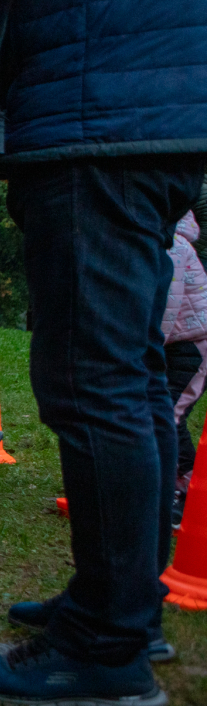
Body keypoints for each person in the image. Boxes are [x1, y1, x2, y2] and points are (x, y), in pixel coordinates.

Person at [0, 0, 205, 706]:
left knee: (94, 381)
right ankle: (124, 603)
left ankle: (105, 644)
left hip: (94, 107)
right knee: (130, 374)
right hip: (141, 104)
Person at [161, 211, 207, 530]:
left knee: (170, 414)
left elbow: (166, 305)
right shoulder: (162, 240)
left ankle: (187, 490)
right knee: (161, 411)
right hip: (176, 344)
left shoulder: (175, 245)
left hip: (195, 345)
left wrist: (143, 347)